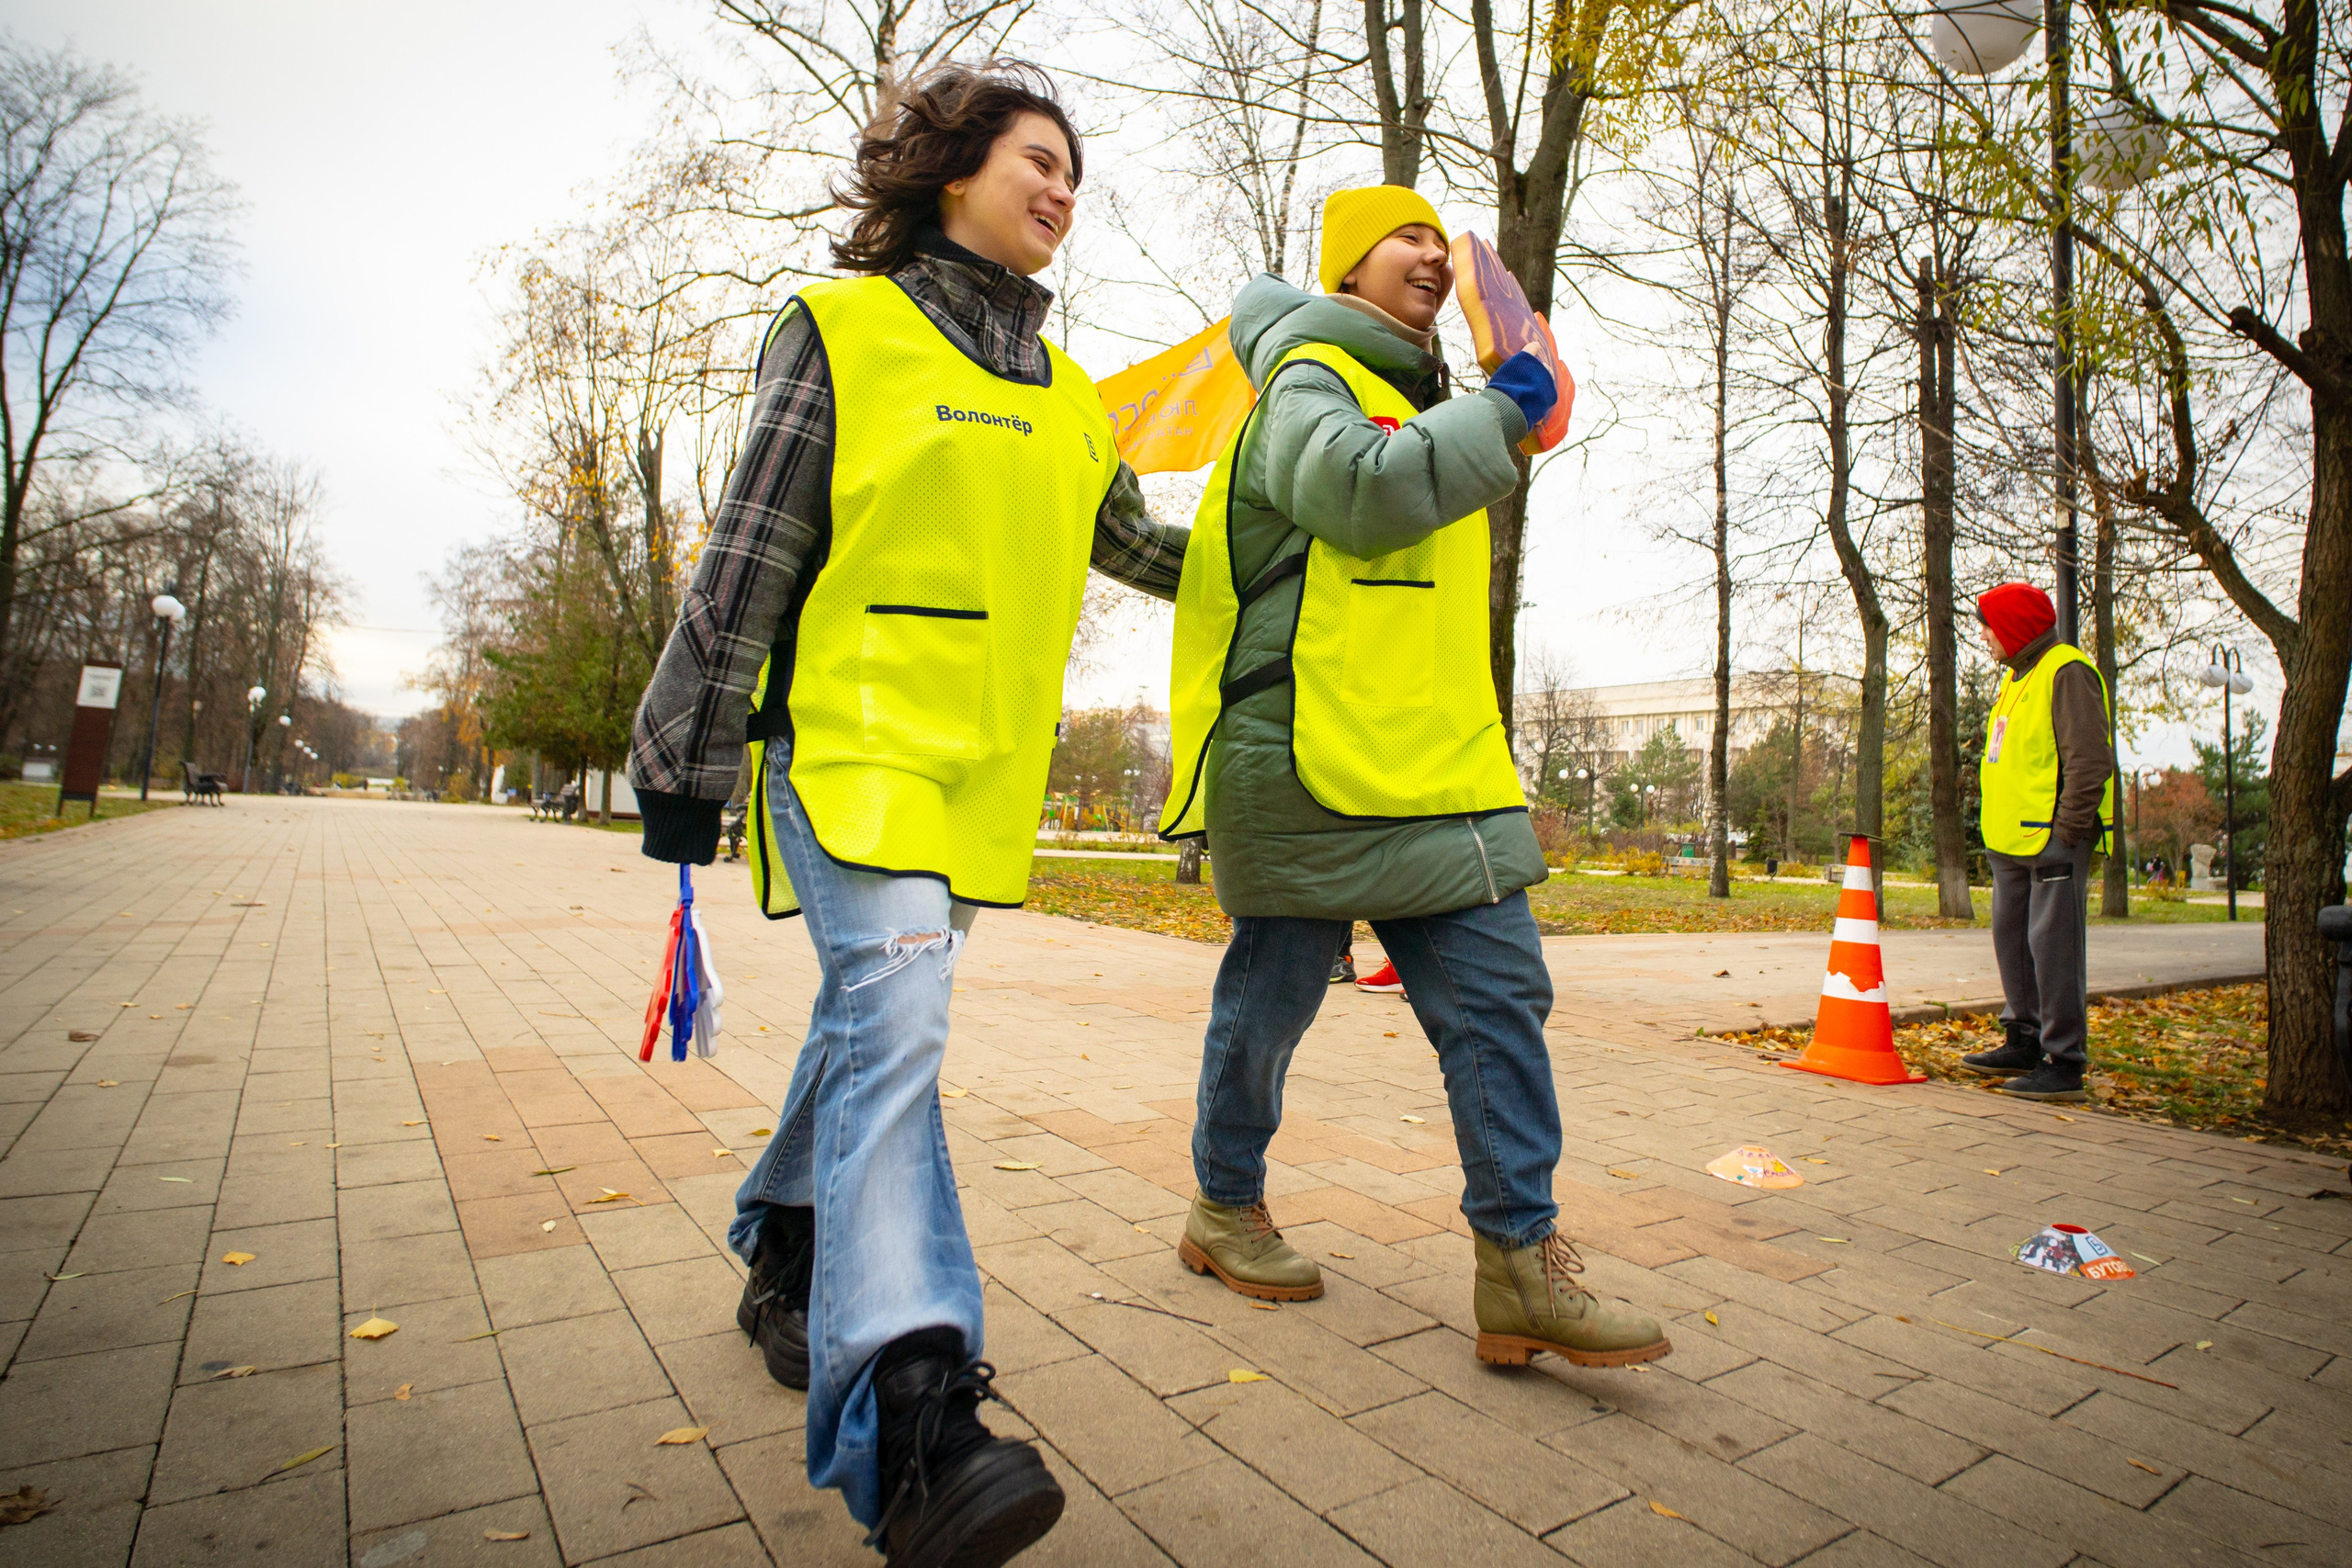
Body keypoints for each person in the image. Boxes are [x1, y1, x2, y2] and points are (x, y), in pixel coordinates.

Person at [625, 64, 1187, 1566]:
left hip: (979, 780)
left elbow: (1149, 549)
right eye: (1037, 158)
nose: (1062, 187)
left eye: (1075, 173)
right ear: (951, 171)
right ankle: (915, 1414)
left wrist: (1306, 538)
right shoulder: (842, 329)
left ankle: (789, 1241)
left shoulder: (1072, 398)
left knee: (870, 1019)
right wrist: (682, 758)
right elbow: (749, 554)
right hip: (848, 751)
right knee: (901, 1017)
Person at [1156, 186, 1669, 1369]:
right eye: (1407, 236)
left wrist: (1491, 403)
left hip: (1435, 764)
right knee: (1270, 1006)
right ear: (1348, 265)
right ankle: (1223, 1205)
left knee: (1500, 1001)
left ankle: (1522, 1268)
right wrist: (1511, 403)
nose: (1435, 254)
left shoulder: (1427, 400)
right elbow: (1362, 492)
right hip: (1309, 759)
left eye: (1443, 238)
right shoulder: (1306, 378)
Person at [1960, 581, 2114, 1102]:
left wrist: (2067, 832)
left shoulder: (2066, 671)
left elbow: (2089, 761)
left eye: (1989, 627)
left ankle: (2064, 1061)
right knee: (2014, 944)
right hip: (2010, 842)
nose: (1985, 636)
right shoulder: (2017, 677)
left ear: (2015, 626)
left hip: (2051, 841)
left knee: (2054, 950)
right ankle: (2023, 1040)